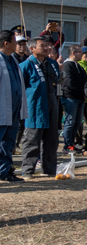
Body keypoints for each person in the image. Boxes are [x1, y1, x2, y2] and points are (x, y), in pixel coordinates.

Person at [19, 37, 61, 178]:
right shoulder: (25, 65)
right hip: (34, 106)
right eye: (42, 46)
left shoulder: (53, 64)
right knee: (32, 140)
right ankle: (28, 170)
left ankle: (49, 170)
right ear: (32, 49)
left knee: (52, 140)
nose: (47, 48)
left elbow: (59, 81)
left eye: (48, 45)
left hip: (52, 105)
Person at [0, 30, 25, 182]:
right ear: (6, 43)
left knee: (8, 143)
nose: (17, 44)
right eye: (15, 41)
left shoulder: (13, 60)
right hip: (2, 109)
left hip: (13, 109)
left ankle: (4, 171)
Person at [59, 45, 87, 153]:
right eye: (80, 52)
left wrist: (85, 92)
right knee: (70, 121)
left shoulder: (78, 66)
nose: (82, 54)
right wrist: (82, 91)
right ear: (73, 53)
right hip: (70, 97)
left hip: (80, 97)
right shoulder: (67, 65)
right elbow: (69, 83)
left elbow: (85, 80)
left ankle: (72, 143)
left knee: (77, 122)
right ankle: (67, 145)